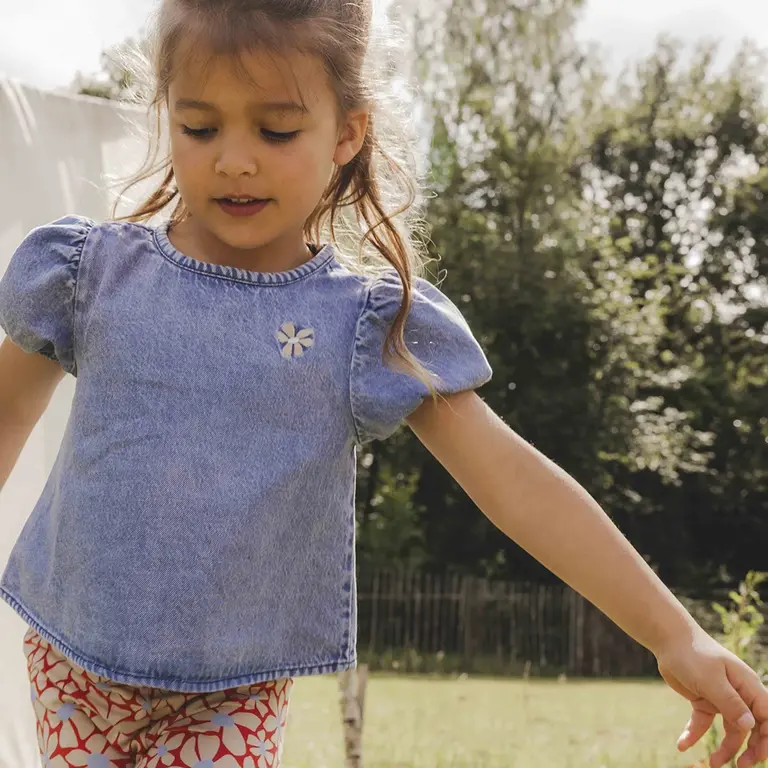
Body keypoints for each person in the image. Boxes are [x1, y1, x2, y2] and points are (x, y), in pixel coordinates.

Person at [0, 0, 766, 766]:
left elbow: (514, 483)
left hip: (230, 695)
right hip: (71, 664)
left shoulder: (364, 326)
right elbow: (5, 413)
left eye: (275, 130)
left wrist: (675, 634)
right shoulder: (88, 275)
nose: (234, 159)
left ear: (347, 133)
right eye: (199, 127)